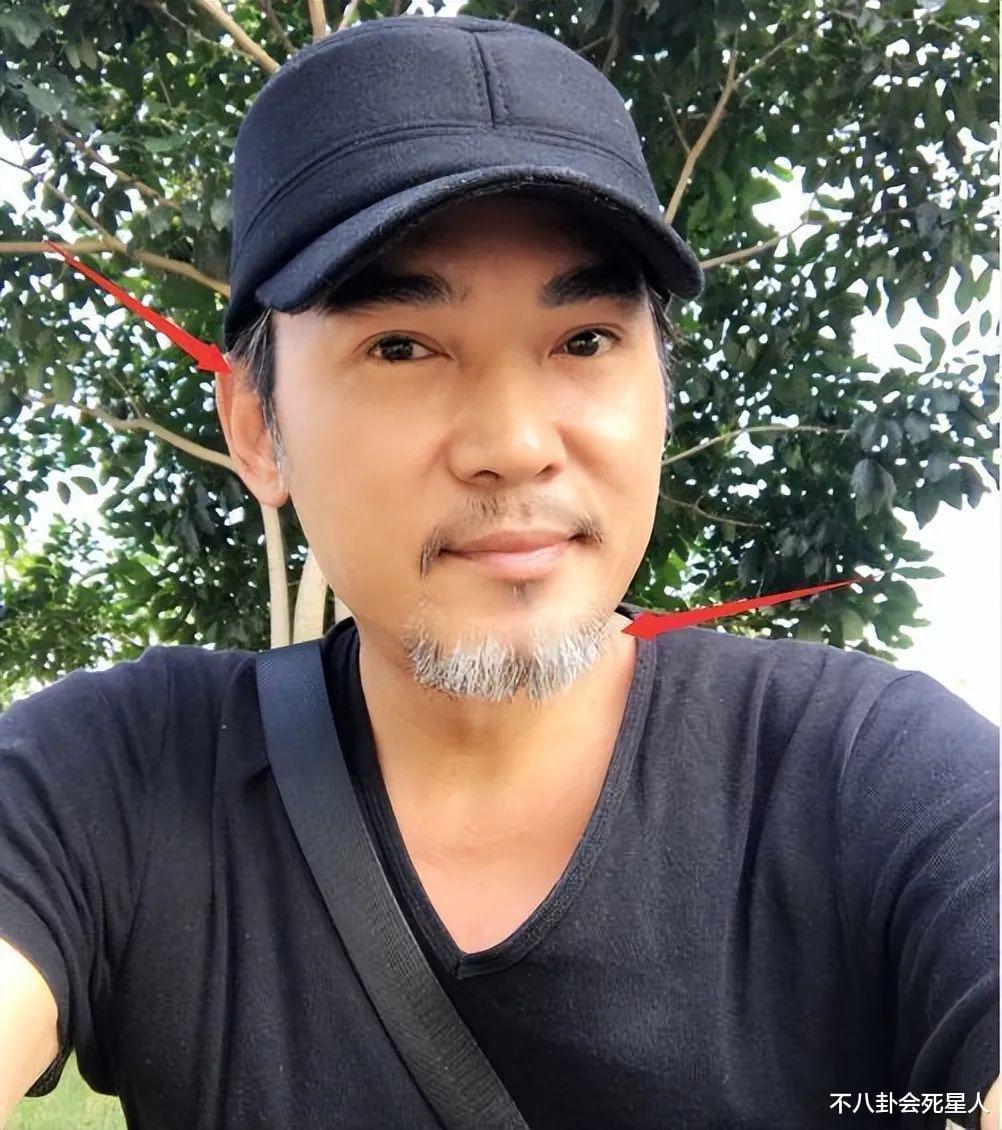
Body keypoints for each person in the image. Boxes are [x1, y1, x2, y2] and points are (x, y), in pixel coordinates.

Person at [0, 14, 997, 1130]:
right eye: (402, 348)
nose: (516, 445)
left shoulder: (874, 776)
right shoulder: (115, 780)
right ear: (256, 429)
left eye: (585, 340)